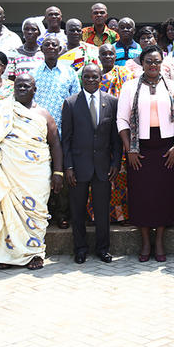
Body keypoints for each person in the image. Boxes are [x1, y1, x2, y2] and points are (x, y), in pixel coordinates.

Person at [0, 74, 63, 270]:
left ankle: (35, 253)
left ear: (35, 90)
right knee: (7, 212)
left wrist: (58, 173)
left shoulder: (43, 114)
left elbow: (55, 143)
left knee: (36, 213)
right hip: (9, 172)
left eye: (26, 86)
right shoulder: (1, 111)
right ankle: (9, 255)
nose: (22, 89)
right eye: (18, 86)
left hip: (36, 174)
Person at [117, 45, 174, 262]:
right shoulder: (130, 87)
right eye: (149, 61)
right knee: (141, 195)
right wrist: (130, 150)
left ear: (162, 63)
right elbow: (122, 120)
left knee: (164, 194)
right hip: (140, 148)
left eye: (157, 61)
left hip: (166, 148)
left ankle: (160, 242)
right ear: (142, 63)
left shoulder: (172, 86)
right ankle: (146, 241)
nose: (153, 65)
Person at [61, 64, 122, 264]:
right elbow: (66, 140)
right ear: (81, 79)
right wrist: (68, 167)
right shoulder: (70, 103)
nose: (90, 80)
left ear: (100, 77)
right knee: (78, 211)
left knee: (102, 211)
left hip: (103, 166)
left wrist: (115, 162)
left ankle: (103, 249)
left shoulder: (112, 102)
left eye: (94, 76)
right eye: (86, 76)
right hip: (78, 167)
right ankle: (80, 249)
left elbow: (116, 138)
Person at [32, 37, 80, 228]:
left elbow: (76, 101)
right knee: (41, 173)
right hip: (38, 132)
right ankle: (43, 212)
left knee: (62, 173)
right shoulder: (33, 73)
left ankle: (61, 214)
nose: (51, 47)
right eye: (47, 45)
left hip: (63, 131)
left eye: (55, 45)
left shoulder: (69, 73)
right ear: (41, 48)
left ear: (61, 49)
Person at [98, 43, 134, 223]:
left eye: (111, 54)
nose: (107, 57)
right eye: (104, 54)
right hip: (101, 131)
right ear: (99, 57)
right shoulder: (94, 76)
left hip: (122, 128)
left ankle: (121, 215)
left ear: (115, 55)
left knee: (120, 173)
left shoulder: (125, 74)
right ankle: (98, 214)